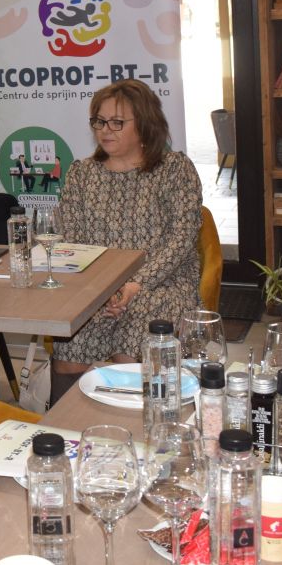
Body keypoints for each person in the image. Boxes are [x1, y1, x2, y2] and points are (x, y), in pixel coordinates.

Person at [49, 80, 203, 404]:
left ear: (145, 124)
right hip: (97, 287)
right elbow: (73, 240)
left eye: (117, 122)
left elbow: (182, 238)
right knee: (70, 347)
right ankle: (65, 426)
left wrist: (136, 283)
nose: (105, 130)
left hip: (162, 283)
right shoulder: (81, 173)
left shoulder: (175, 169)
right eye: (99, 121)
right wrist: (101, 290)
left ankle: (139, 422)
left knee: (131, 346)